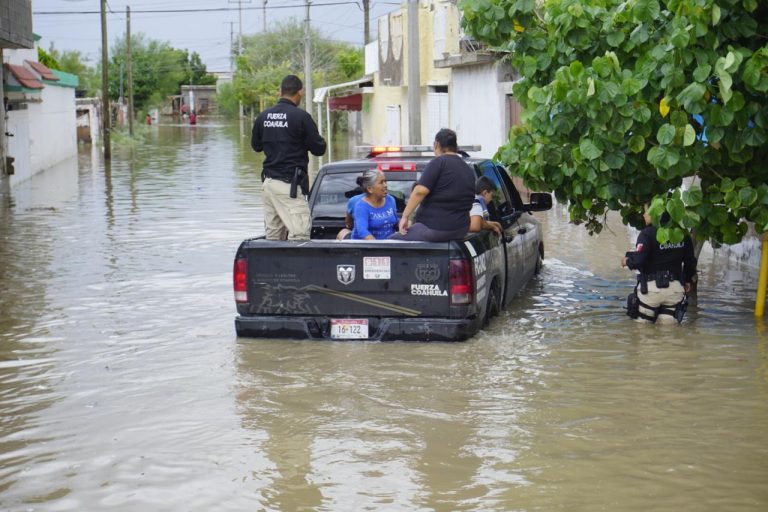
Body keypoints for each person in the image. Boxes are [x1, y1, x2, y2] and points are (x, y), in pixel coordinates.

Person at [251, 75, 327, 240]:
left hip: (268, 184)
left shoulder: (263, 117)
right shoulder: (301, 117)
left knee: (273, 236)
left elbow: (256, 146)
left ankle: (270, 266)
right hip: (289, 186)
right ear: (299, 92)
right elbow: (319, 149)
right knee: (300, 234)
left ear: (280, 92)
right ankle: (297, 267)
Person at [390, 128, 475, 242]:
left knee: (392, 241)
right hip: (460, 229)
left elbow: (420, 191)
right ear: (455, 146)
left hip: (436, 229)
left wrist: (405, 216)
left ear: (436, 144)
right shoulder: (467, 168)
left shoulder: (439, 162)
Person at [621, 203, 698, 324]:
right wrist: (687, 280)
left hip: (651, 290)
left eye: (647, 212)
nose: (644, 215)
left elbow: (639, 260)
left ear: (655, 215)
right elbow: (690, 262)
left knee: (642, 332)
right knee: (669, 334)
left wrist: (626, 261)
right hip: (675, 290)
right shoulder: (682, 234)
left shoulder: (647, 234)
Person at [350, 170, 398, 240]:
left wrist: (405, 224)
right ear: (370, 189)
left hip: (389, 246)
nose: (385, 185)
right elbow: (363, 232)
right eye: (381, 182)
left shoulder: (390, 199)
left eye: (385, 181)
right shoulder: (361, 206)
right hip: (367, 248)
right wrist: (378, 247)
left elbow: (395, 221)